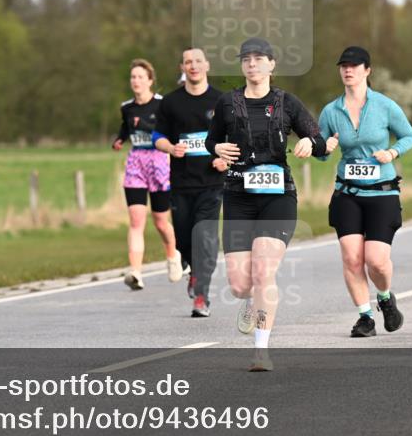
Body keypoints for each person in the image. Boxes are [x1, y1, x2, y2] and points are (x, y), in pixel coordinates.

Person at [206, 37, 331, 371]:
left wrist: (308, 140)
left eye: (259, 58)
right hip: (237, 196)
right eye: (246, 59)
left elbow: (320, 141)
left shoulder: (287, 103)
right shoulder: (227, 103)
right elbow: (210, 139)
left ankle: (261, 349)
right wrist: (217, 149)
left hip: (278, 197)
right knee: (239, 285)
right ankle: (248, 301)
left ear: (272, 65)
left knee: (263, 272)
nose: (252, 64)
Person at [318, 46, 412, 337]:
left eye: (355, 65)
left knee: (376, 260)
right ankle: (365, 317)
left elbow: (409, 135)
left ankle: (385, 297)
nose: (348, 70)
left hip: (382, 192)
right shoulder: (330, 111)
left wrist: (393, 151)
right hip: (347, 192)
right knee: (351, 258)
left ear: (367, 70)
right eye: (344, 66)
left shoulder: (385, 105)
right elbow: (320, 150)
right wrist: (324, 148)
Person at [153, 48, 227, 317]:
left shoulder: (221, 101)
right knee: (184, 238)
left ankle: (201, 296)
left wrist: (225, 160)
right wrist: (170, 148)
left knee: (205, 239)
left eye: (197, 61)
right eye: (188, 62)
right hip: (181, 183)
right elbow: (156, 136)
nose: (193, 66)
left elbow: (236, 139)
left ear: (206, 65)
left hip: (212, 183)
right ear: (182, 67)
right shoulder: (171, 102)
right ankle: (193, 269)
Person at [112, 59, 181, 290]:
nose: (136, 81)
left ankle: (172, 256)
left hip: (160, 162)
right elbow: (126, 125)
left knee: (161, 221)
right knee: (136, 220)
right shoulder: (127, 107)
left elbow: (171, 129)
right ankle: (136, 272)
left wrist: (146, 125)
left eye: (141, 77)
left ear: (150, 80)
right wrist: (120, 139)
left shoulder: (163, 104)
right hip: (136, 162)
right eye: (133, 77)